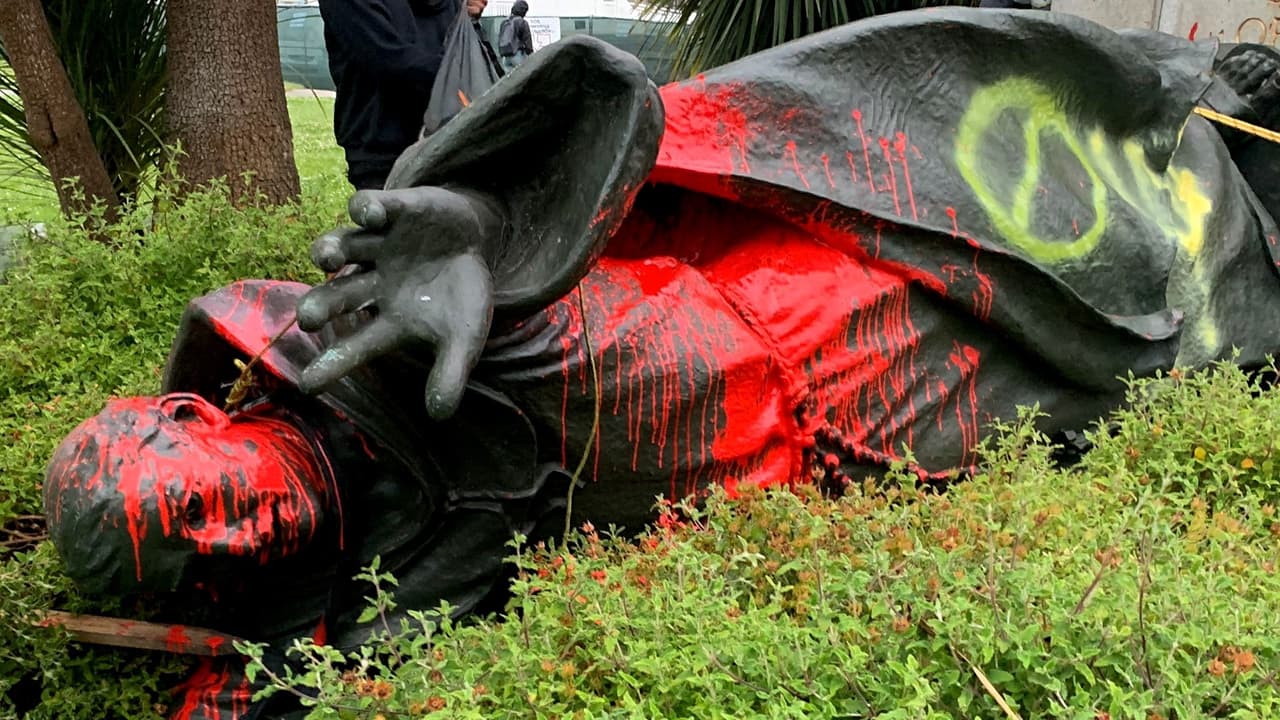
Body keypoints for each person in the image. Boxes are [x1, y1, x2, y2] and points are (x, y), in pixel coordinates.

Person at [41, 8, 1280, 719]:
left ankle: (1224, 164)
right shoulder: (374, 582)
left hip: (807, 307)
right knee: (1130, 376)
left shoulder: (365, 335)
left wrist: (485, 221)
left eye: (196, 497)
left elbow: (604, 102)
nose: (231, 528)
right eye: (196, 552)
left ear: (194, 411)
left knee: (1130, 248)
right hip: (869, 437)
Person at [318, 0, 488, 191]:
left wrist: (466, 17)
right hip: (391, 152)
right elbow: (385, 59)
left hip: (439, 144)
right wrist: (462, 76)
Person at [498, 0, 534, 69]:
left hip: (505, 57)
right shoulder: (522, 22)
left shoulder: (504, 22)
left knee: (510, 79)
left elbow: (500, 38)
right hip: (518, 54)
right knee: (524, 77)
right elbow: (527, 41)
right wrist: (531, 55)